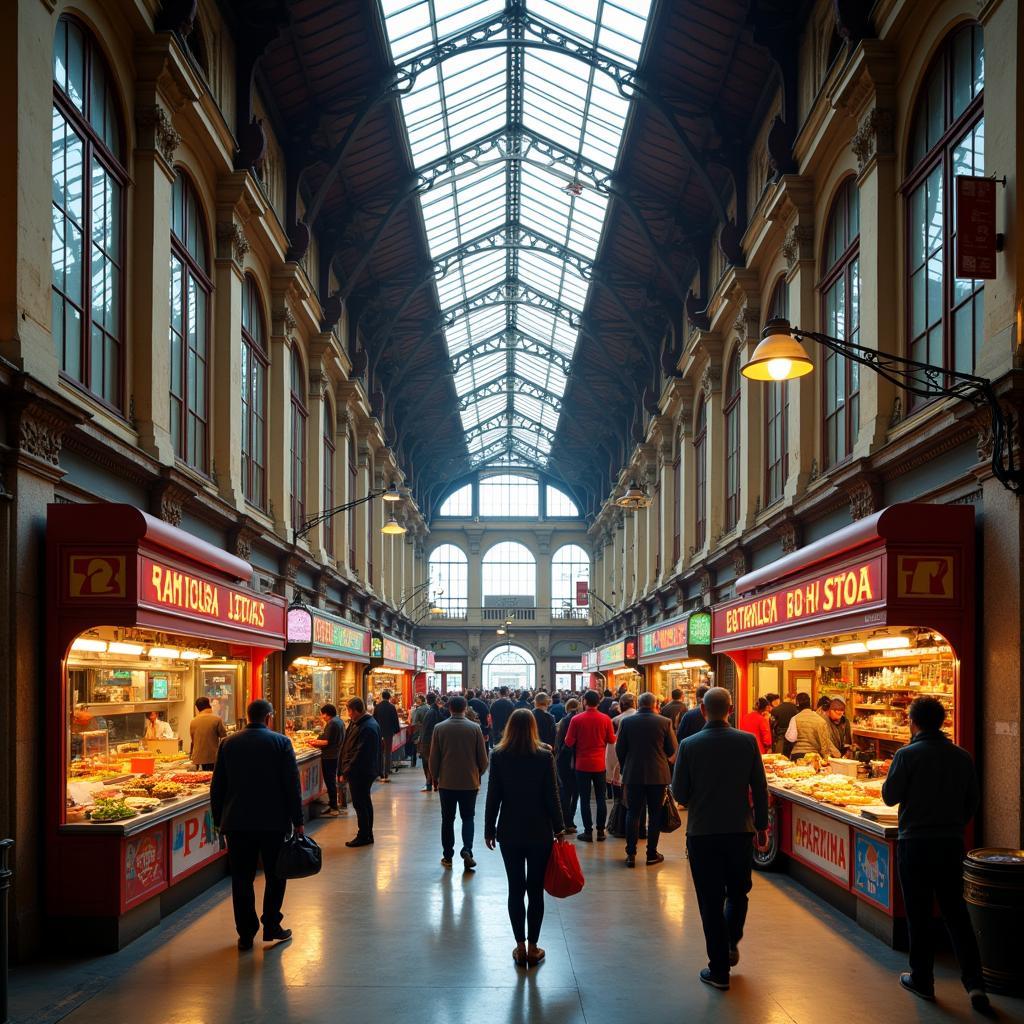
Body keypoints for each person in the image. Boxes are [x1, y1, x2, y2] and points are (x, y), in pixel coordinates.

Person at [882, 697, 988, 1011]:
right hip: (951, 844)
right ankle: (975, 986)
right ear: (941, 722)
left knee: (919, 913)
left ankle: (922, 980)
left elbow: (889, 797)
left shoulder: (906, 755)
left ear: (913, 722)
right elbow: (973, 801)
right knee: (957, 914)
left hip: (914, 844)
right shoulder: (962, 756)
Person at [671, 687, 769, 991]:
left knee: (710, 901)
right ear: (730, 709)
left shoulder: (688, 745)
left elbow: (680, 793)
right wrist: (762, 826)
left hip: (702, 833)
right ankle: (730, 941)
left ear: (702, 710)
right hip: (740, 830)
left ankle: (719, 969)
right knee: (738, 892)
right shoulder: (748, 742)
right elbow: (760, 787)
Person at [210, 699, 303, 949]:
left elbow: (217, 786)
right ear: (269, 717)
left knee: (241, 878)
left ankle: (246, 933)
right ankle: (272, 924)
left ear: (247, 716)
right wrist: (298, 820)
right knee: (276, 874)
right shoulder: (281, 742)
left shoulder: (228, 743)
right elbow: (292, 785)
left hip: (237, 823)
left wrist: (218, 820)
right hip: (273, 822)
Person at [484, 708, 564, 968]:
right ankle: (533, 947)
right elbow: (552, 794)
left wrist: (489, 828)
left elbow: (493, 794)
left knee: (515, 888)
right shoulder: (543, 756)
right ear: (533, 728)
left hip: (509, 830)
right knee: (535, 890)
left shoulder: (499, 755)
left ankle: (518, 946)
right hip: (539, 830)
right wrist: (560, 828)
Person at [615, 692, 676, 867]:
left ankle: (631, 854)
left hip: (633, 774)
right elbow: (671, 749)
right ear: (655, 704)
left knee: (633, 812)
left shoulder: (626, 722)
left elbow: (620, 748)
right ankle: (651, 854)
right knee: (655, 814)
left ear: (638, 704)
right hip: (658, 774)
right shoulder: (664, 722)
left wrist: (626, 765)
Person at [429, 694, 489, 870]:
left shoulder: (439, 728)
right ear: (465, 709)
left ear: (449, 708)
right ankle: (468, 850)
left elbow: (434, 758)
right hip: (469, 782)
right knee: (468, 817)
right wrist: (478, 774)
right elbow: (483, 760)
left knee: (447, 819)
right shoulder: (475, 728)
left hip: (446, 782)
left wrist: (435, 777)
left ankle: (447, 856)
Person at [564, 689, 617, 842]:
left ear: (584, 702)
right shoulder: (606, 719)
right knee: (601, 798)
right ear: (598, 702)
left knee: (585, 799)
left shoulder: (577, 719)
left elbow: (568, 742)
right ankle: (601, 831)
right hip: (599, 764)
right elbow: (612, 740)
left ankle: (588, 831)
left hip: (582, 764)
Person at [339, 697, 381, 847]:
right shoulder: (358, 723)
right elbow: (347, 746)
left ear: (356, 710)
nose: (348, 714)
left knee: (360, 803)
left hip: (361, 772)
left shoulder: (367, 727)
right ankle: (366, 833)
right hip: (360, 770)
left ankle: (364, 835)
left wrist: (346, 771)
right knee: (364, 802)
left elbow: (360, 753)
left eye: (349, 711)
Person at [307, 704, 345, 817]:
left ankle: (333, 806)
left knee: (330, 781)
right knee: (331, 780)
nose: (322, 716)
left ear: (326, 714)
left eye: (322, 714)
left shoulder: (332, 723)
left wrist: (313, 742)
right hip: (335, 754)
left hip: (330, 756)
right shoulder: (339, 721)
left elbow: (327, 742)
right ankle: (333, 804)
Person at [786, 692, 840, 760]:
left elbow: (791, 738)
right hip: (814, 756)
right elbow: (824, 743)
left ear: (797, 704)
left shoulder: (794, 718)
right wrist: (826, 758)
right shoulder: (820, 720)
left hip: (797, 755)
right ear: (810, 703)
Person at [554, 698, 580, 835]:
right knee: (574, 792)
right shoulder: (576, 720)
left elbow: (558, 743)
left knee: (565, 792)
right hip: (574, 761)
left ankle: (566, 820)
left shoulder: (563, 721)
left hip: (563, 761)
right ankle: (569, 821)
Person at [189, 696, 227, 770]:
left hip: (197, 760)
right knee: (210, 779)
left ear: (197, 708)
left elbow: (193, 741)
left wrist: (191, 756)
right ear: (209, 705)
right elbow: (224, 739)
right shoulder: (217, 719)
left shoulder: (193, 721)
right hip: (212, 758)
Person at [372, 689, 400, 782]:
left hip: (379, 733)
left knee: (379, 752)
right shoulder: (392, 707)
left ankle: (379, 771)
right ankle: (386, 772)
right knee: (387, 752)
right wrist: (396, 730)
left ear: (382, 697)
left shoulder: (377, 707)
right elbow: (395, 720)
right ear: (389, 697)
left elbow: (374, 720)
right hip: (388, 733)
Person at [408, 693, 428, 768]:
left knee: (414, 745)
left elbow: (414, 722)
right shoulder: (428, 707)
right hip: (426, 730)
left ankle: (413, 762)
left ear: (419, 701)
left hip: (418, 730)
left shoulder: (419, 709)